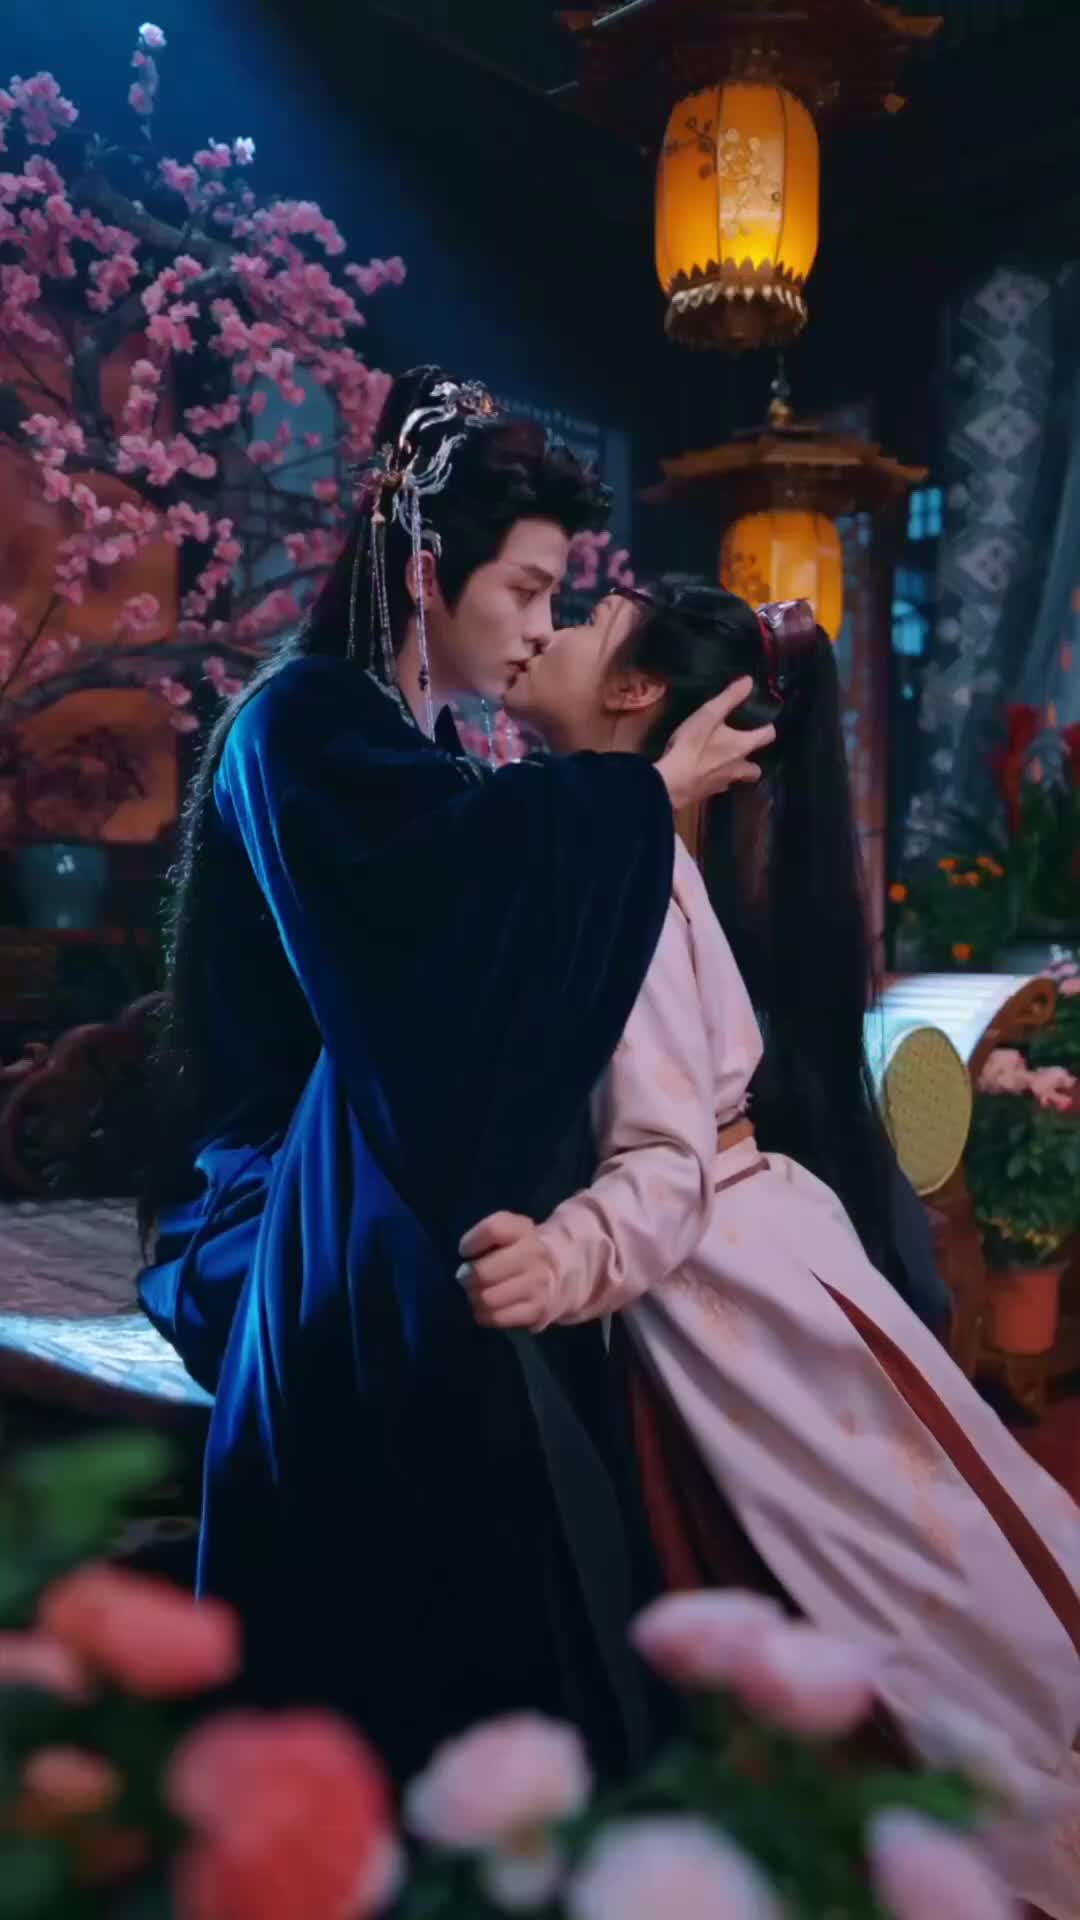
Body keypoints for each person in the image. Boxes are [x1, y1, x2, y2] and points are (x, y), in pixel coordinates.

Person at [136, 373, 775, 1781]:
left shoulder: (399, 736)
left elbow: (476, 921)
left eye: (558, 598)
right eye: (527, 589)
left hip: (365, 1164)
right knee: (457, 1314)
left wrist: (614, 809)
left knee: (499, 1278)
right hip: (276, 1194)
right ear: (428, 569)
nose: (544, 626)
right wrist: (639, 794)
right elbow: (420, 952)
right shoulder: (301, 722)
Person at [463, 582, 1080, 1918]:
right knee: (898, 1577)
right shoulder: (618, 845)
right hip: (751, 1249)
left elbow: (665, 1158)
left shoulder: (632, 875)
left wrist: (558, 1263)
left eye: (579, 617)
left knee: (872, 1604)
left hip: (718, 1279)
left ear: (635, 695)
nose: (546, 626)